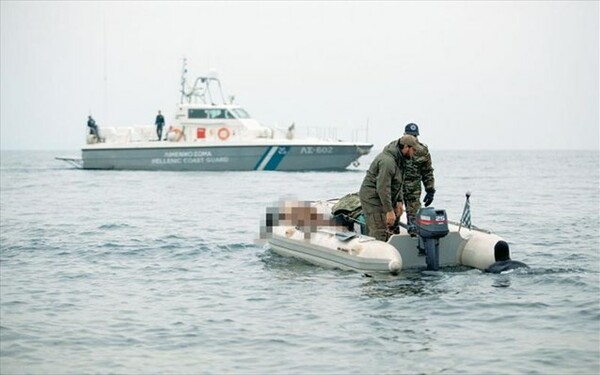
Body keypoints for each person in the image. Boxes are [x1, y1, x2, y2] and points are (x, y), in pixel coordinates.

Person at [359, 134, 421, 241]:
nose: (415, 153)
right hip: (373, 198)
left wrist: (399, 201)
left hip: (385, 196)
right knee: (379, 230)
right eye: (414, 150)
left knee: (392, 227)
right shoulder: (388, 162)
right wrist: (389, 210)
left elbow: (399, 182)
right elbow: (382, 187)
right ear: (406, 147)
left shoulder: (400, 159)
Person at [402, 123, 435, 236]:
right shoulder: (398, 149)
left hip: (413, 190)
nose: (413, 139)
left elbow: (427, 171)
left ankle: (415, 242)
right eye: (410, 136)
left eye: (415, 136)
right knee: (392, 218)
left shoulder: (422, 150)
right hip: (396, 189)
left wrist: (430, 190)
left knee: (414, 221)